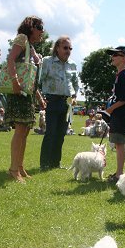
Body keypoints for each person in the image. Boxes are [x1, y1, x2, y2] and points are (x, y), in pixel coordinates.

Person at [5, 16, 46, 182]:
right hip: (19, 91)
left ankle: (20, 167)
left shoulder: (31, 47)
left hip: (27, 94)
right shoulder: (22, 38)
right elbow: (10, 59)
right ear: (31, 27)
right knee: (20, 130)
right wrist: (14, 81)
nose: (42, 31)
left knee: (25, 132)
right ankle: (13, 169)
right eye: (40, 27)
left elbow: (31, 76)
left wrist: (39, 98)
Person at [39, 36, 79, 170]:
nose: (68, 51)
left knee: (61, 134)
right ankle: (44, 163)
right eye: (65, 48)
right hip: (51, 100)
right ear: (57, 48)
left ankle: (55, 163)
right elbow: (39, 80)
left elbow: (75, 83)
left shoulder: (73, 64)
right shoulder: (47, 62)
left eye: (70, 48)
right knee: (50, 132)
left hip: (66, 103)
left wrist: (74, 96)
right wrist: (41, 98)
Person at [104, 46, 125, 183]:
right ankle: (119, 172)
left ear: (123, 58)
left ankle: (119, 175)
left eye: (116, 55)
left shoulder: (124, 76)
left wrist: (109, 110)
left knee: (119, 143)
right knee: (117, 143)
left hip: (121, 115)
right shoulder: (120, 75)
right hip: (119, 114)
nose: (112, 57)